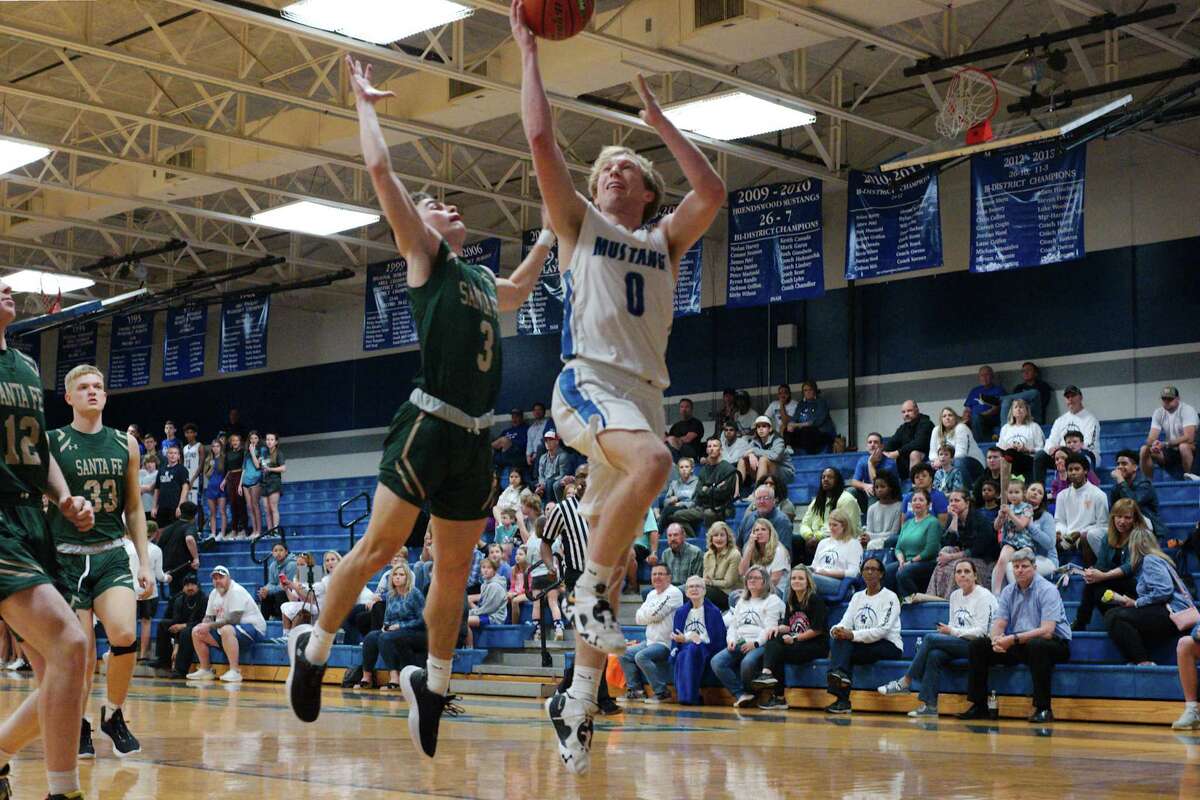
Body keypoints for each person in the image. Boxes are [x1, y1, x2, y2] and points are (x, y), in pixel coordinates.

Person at [284, 53, 546, 762]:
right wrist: (366, 106)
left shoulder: (483, 280)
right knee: (377, 551)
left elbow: (520, 287)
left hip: (475, 441)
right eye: (438, 204)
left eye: (453, 205)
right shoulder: (426, 261)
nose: (449, 206)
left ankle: (431, 685)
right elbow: (382, 176)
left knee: (455, 573)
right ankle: (314, 652)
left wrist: (553, 232)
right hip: (427, 423)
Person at [516, 1, 726, 770]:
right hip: (587, 383)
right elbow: (541, 140)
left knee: (617, 559)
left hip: (641, 396)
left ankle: (574, 705)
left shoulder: (665, 238)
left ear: (644, 193)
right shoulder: (579, 227)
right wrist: (529, 52)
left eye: (625, 168)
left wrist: (659, 121)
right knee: (657, 467)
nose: (610, 170)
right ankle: (590, 597)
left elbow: (712, 194)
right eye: (604, 166)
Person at [0, 289, 95, 800]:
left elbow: (36, 448)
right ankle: (63, 792)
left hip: (30, 516)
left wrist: (63, 498)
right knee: (71, 643)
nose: (8, 288)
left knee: (66, 678)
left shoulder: (26, 367)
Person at [46, 364, 152, 759]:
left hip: (109, 552)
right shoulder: (53, 442)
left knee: (125, 633)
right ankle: (78, 723)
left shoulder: (126, 444)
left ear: (106, 396)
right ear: (69, 397)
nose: (93, 392)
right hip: (65, 556)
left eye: (99, 387)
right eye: (84, 387)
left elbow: (136, 508)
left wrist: (143, 562)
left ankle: (114, 713)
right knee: (81, 653)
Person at [958, 549, 1071, 723]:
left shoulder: (1048, 590)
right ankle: (979, 705)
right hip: (1021, 642)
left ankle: (1043, 708)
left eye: (1024, 566)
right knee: (978, 646)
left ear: (1034, 567)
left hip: (1054, 644)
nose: (1019, 570)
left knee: (1038, 645)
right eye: (1016, 566)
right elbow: (999, 623)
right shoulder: (1008, 591)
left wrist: (1012, 639)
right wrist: (996, 640)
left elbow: (1047, 631)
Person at [878, 559, 998, 716]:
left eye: (967, 572)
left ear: (975, 576)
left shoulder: (984, 596)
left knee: (930, 639)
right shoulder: (955, 596)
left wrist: (951, 632)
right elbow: (953, 624)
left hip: (980, 646)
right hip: (960, 642)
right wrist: (948, 631)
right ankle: (930, 706)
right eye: (958, 572)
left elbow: (982, 633)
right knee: (935, 655)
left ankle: (906, 681)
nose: (962, 575)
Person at [1105, 528, 1195, 666]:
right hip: (1167, 611)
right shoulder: (1156, 560)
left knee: (1115, 616)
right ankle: (1138, 659)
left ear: (1133, 546)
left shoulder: (1149, 560)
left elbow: (1164, 590)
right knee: (1114, 614)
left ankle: (1143, 661)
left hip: (1171, 613)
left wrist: (1136, 603)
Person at [825, 556, 902, 714]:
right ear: (861, 573)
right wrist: (836, 630)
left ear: (881, 574)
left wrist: (851, 635)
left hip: (888, 644)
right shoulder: (857, 597)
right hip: (863, 643)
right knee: (839, 640)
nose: (869, 572)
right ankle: (840, 678)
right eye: (866, 569)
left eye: (874, 569)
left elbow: (882, 631)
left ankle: (841, 697)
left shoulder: (891, 597)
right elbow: (845, 621)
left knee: (844, 651)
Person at [753, 565, 829, 709]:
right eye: (793, 578)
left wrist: (795, 639)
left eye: (801, 578)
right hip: (797, 642)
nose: (796, 581)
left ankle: (778, 695)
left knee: (778, 652)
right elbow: (789, 625)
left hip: (816, 645)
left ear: (808, 582)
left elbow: (817, 630)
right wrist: (776, 628)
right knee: (773, 638)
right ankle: (767, 675)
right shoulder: (791, 599)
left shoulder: (815, 600)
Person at [711, 566, 784, 708]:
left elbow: (770, 628)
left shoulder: (772, 600)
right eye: (749, 578)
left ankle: (753, 693)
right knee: (717, 662)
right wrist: (731, 640)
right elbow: (733, 626)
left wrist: (755, 643)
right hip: (740, 642)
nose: (752, 580)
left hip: (762, 643)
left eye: (756, 578)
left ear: (765, 581)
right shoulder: (742, 601)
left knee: (747, 663)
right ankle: (741, 694)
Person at [188, 565, 267, 683]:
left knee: (226, 629)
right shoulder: (214, 593)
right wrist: (205, 623)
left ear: (229, 578)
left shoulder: (236, 591)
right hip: (230, 632)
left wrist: (209, 626)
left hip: (253, 630)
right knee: (196, 631)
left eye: (221, 577)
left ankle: (235, 671)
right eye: (215, 578)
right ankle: (205, 669)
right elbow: (209, 616)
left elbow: (234, 619)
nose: (218, 581)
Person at [1073, 498, 1140, 631]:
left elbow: (1130, 567)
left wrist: (1103, 575)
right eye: (1118, 516)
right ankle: (1112, 620)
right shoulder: (1108, 537)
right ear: (1113, 517)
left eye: (1127, 517)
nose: (1122, 521)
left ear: (1135, 519)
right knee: (1095, 586)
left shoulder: (1139, 536)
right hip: (1114, 582)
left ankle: (1081, 621)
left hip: (1136, 584)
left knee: (1096, 584)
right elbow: (1101, 564)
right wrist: (1093, 573)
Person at [619, 564, 683, 702]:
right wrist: (649, 615)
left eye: (661, 574)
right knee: (624, 654)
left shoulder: (674, 592)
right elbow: (638, 618)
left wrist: (647, 615)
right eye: (654, 574)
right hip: (650, 642)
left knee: (641, 657)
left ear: (669, 577)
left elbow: (655, 615)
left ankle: (662, 693)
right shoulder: (651, 594)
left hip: (667, 643)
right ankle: (636, 690)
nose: (657, 577)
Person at [359, 561, 426, 690]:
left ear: (408, 577)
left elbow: (423, 619)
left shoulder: (414, 593)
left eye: (401, 574)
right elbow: (387, 618)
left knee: (385, 638)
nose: (397, 577)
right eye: (395, 574)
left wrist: (400, 626)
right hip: (394, 630)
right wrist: (385, 626)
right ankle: (367, 676)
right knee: (371, 637)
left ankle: (394, 677)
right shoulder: (391, 595)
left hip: (415, 631)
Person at [927, 490, 1000, 597]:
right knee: (944, 553)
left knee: (957, 565)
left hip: (985, 560)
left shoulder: (979, 519)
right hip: (964, 556)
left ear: (967, 503)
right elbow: (947, 543)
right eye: (951, 501)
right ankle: (933, 597)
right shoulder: (952, 517)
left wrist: (951, 556)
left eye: (957, 500)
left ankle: (949, 600)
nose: (953, 503)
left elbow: (977, 549)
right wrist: (954, 520)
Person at [669, 576, 726, 706]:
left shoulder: (714, 611)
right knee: (682, 654)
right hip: (686, 648)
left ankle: (689, 698)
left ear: (704, 591)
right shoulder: (680, 612)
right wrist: (685, 640)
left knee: (692, 649)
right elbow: (676, 637)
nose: (694, 589)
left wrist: (691, 637)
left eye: (697, 586)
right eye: (690, 586)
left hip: (706, 649)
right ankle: (688, 697)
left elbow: (718, 641)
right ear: (686, 591)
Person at [1035, 385, 1101, 481]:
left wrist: (1065, 450)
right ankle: (1039, 490)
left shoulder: (1091, 420)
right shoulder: (1060, 420)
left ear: (1080, 397)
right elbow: (1051, 440)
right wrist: (1051, 449)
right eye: (1067, 397)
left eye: (1073, 396)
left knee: (1083, 455)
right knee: (1040, 456)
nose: (1070, 399)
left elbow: (1089, 444)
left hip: (1083, 454)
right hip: (1061, 455)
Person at [886, 489, 943, 599]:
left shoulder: (933, 522)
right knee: (886, 571)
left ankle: (912, 604)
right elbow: (898, 548)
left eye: (921, 500)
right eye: (914, 500)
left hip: (925, 562)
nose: (917, 502)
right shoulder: (907, 523)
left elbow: (930, 550)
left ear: (928, 505)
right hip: (906, 562)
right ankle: (891, 604)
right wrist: (902, 561)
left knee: (903, 573)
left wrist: (911, 561)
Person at [672, 437, 737, 532]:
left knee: (709, 513)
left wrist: (706, 489)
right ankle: (692, 536)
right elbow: (698, 491)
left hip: (723, 508)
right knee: (677, 515)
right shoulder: (704, 470)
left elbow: (723, 493)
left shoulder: (728, 469)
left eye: (715, 446)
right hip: (703, 507)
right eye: (709, 446)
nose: (711, 448)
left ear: (721, 449)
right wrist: (713, 489)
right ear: (706, 450)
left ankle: (709, 541)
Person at [797, 467, 861, 563]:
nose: (825, 479)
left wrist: (818, 537)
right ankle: (799, 574)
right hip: (816, 538)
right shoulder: (817, 501)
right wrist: (809, 536)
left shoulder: (847, 500)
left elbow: (845, 528)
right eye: (823, 477)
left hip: (841, 538)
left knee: (820, 543)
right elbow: (805, 523)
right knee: (796, 540)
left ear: (837, 480)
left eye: (830, 477)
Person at [1054, 453, 1110, 559]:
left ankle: (1090, 571)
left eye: (1077, 469)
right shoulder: (1062, 495)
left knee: (1086, 537)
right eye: (1070, 470)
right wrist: (1060, 532)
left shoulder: (1098, 494)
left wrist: (1080, 533)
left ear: (1085, 471)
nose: (1073, 473)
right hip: (1067, 537)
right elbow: (1059, 521)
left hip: (1086, 536)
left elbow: (1103, 525)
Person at [153, 574, 207, 676]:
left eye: (192, 585)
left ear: (198, 586)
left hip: (197, 628)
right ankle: (163, 660)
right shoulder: (179, 600)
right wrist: (177, 643)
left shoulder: (204, 599)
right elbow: (176, 622)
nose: (190, 587)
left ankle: (181, 670)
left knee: (186, 631)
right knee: (163, 624)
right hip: (182, 629)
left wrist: (184, 626)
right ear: (183, 588)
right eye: (187, 585)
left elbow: (202, 621)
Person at [1141, 385, 1197, 479]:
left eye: (1170, 399)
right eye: (1164, 399)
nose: (1166, 401)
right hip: (1170, 450)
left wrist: (1166, 444)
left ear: (1177, 398)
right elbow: (1151, 437)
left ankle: (1190, 478)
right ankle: (1147, 483)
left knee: (1183, 446)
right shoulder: (1158, 412)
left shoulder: (1187, 410)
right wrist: (1154, 444)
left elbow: (1189, 437)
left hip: (1192, 448)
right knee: (1144, 449)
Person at [991, 479, 1033, 593]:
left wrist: (1010, 513)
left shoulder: (1027, 507)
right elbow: (996, 527)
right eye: (1010, 492)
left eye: (1016, 492)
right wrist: (1000, 516)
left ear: (1023, 493)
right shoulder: (1006, 507)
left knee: (1020, 561)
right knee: (1002, 560)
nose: (1013, 495)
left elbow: (1021, 525)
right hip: (1010, 542)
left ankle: (1020, 591)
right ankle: (996, 593)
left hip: (1025, 543)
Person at [810, 510, 863, 597]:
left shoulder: (853, 544)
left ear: (844, 526)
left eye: (835, 525)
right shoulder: (823, 543)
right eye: (830, 524)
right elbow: (814, 566)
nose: (831, 528)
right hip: (819, 577)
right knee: (795, 574)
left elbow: (854, 573)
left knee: (807, 579)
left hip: (842, 584)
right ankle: (788, 609)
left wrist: (827, 573)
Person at [136, 523, 169, 662]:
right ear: (155, 533)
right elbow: (160, 575)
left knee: (129, 622)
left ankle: (128, 653)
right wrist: (167, 577)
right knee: (146, 622)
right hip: (149, 590)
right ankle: (143, 654)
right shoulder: (156, 550)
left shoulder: (130, 547)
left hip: (130, 590)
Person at [1109, 448, 1161, 534]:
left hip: (1148, 527)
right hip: (1126, 524)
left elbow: (1133, 503)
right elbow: (1114, 510)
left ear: (1135, 467)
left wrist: (1120, 480)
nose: (1120, 467)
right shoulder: (1117, 486)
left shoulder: (1144, 484)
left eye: (1124, 464)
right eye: (1118, 464)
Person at [735, 483, 793, 560]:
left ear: (773, 501)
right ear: (754, 502)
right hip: (747, 563)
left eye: (766, 498)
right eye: (759, 498)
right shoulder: (748, 518)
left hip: (772, 564)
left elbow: (785, 554)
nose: (762, 501)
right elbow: (738, 546)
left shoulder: (782, 521)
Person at [930, 406, 984, 486]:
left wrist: (942, 461)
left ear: (955, 418)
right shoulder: (936, 430)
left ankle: (965, 492)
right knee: (927, 466)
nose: (947, 418)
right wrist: (936, 461)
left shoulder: (961, 428)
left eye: (950, 415)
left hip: (972, 463)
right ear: (941, 419)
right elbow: (932, 452)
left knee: (957, 462)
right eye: (944, 416)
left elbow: (961, 454)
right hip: (946, 462)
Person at [738, 416, 795, 490]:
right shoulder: (754, 441)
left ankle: (757, 493)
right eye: (758, 427)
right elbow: (744, 454)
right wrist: (750, 454)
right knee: (742, 460)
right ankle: (736, 492)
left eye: (764, 426)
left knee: (763, 459)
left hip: (784, 473)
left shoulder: (778, 440)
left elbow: (775, 456)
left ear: (770, 429)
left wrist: (754, 451)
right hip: (766, 471)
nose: (761, 429)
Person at [883, 400, 934, 481]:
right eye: (903, 412)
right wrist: (884, 452)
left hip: (925, 460)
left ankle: (915, 486)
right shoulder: (903, 428)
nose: (906, 414)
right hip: (904, 467)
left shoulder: (926, 423)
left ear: (917, 410)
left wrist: (898, 452)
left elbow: (919, 443)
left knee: (914, 453)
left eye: (909, 411)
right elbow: (892, 442)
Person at [997, 398, 1043, 487]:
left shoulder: (1034, 426)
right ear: (1012, 412)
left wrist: (1027, 449)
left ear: (1026, 411)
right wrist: (1010, 447)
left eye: (1021, 407)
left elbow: (1041, 449)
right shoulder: (1006, 428)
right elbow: (1000, 448)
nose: (1018, 409)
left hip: (1028, 458)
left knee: (1010, 454)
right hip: (1010, 458)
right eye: (1016, 407)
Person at [158, 502, 200, 594]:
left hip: (170, 570)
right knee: (188, 597)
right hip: (185, 568)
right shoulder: (190, 527)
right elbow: (189, 539)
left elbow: (159, 547)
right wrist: (196, 558)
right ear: (194, 516)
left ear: (180, 512)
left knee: (174, 597)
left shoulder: (168, 529)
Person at [847, 432, 895, 513]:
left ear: (882, 446)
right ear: (867, 447)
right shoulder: (862, 460)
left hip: (887, 497)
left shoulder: (889, 463)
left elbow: (878, 486)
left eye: (875, 442)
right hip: (867, 495)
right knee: (850, 492)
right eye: (870, 442)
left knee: (873, 492)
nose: (872, 445)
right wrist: (865, 486)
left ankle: (870, 525)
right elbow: (854, 482)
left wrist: (870, 463)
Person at [738, 519, 790, 592]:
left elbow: (774, 580)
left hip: (777, 590)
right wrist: (749, 548)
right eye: (756, 530)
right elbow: (742, 572)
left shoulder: (779, 550)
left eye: (763, 529)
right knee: (734, 596)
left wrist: (754, 591)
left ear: (770, 533)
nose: (759, 533)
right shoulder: (752, 549)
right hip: (757, 588)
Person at [700, 521, 741, 611]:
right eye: (715, 535)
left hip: (728, 594)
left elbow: (728, 583)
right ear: (711, 538)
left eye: (722, 535)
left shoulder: (734, 554)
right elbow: (705, 579)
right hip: (712, 590)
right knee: (688, 591)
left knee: (700, 593)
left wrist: (710, 582)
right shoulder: (707, 555)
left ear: (728, 537)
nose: (719, 538)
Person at [790, 380, 836, 455]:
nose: (808, 392)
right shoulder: (801, 404)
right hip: (805, 434)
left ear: (814, 390)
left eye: (810, 390)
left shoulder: (821, 402)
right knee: (787, 431)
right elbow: (795, 418)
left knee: (807, 431)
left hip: (822, 433)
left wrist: (798, 425)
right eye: (805, 390)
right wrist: (790, 424)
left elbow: (816, 422)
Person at [152, 444, 191, 530]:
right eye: (170, 453)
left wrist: (180, 506)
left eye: (175, 453)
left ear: (178, 456)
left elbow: (185, 488)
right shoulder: (161, 469)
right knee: (160, 532)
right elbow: (157, 489)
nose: (173, 455)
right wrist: (154, 506)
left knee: (174, 532)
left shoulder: (182, 469)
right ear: (167, 455)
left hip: (175, 507)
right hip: (162, 507)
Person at [963, 366, 1005, 444]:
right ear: (979, 377)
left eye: (987, 375)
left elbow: (997, 409)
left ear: (992, 376)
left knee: (976, 417)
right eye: (982, 375)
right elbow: (967, 409)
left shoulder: (998, 390)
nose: (984, 377)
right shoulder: (974, 390)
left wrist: (981, 415)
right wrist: (966, 416)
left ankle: (979, 445)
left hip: (991, 419)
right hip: (974, 419)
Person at [659, 458, 699, 532]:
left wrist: (680, 503)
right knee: (670, 512)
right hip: (674, 509)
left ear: (692, 469)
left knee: (669, 512)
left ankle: (658, 531)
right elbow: (665, 502)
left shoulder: (697, 482)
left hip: (690, 509)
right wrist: (671, 500)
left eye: (687, 467)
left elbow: (696, 501)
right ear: (678, 470)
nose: (684, 469)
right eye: (681, 467)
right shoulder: (674, 483)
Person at [862, 471, 903, 543]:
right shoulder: (872, 508)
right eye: (876, 487)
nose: (879, 490)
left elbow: (894, 533)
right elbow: (868, 532)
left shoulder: (899, 507)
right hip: (871, 544)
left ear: (891, 488)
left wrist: (871, 537)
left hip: (889, 544)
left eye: (882, 486)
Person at [259, 542, 297, 620]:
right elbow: (271, 583)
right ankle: (264, 622)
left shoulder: (292, 564)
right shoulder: (272, 565)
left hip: (291, 593)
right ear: (272, 553)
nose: (278, 553)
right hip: (279, 591)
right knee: (265, 595)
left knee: (280, 594)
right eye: (275, 551)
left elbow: (287, 585)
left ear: (286, 552)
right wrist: (265, 589)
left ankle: (282, 620)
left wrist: (269, 590)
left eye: (281, 550)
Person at [222, 433, 248, 539]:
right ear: (231, 443)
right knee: (232, 504)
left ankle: (243, 529)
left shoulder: (243, 452)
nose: (235, 442)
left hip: (240, 476)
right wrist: (224, 480)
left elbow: (244, 468)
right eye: (233, 441)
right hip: (231, 478)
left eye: (237, 440)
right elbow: (228, 469)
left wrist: (240, 484)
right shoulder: (228, 454)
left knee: (241, 503)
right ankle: (234, 529)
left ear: (240, 441)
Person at [661, 523, 703, 588]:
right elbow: (664, 578)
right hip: (669, 589)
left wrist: (674, 590)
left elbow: (697, 580)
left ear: (683, 536)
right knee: (646, 592)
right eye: (669, 535)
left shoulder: (696, 552)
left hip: (688, 589)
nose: (672, 539)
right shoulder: (665, 554)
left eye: (675, 535)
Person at [240, 431, 266, 538]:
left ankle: (259, 531)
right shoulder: (246, 452)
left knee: (255, 505)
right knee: (249, 507)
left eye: (255, 438)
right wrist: (239, 484)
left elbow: (257, 465)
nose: (253, 440)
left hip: (255, 480)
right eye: (251, 438)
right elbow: (244, 469)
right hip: (246, 480)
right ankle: (254, 530)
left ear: (258, 439)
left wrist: (252, 452)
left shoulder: (262, 450)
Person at [492, 409, 528, 481]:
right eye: (513, 417)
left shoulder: (525, 429)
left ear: (521, 418)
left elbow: (524, 444)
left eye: (516, 417)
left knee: (504, 440)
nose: (514, 419)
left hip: (517, 453)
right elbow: (497, 443)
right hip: (503, 454)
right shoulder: (507, 431)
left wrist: (509, 442)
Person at [664, 398, 705, 462]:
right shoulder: (675, 426)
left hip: (692, 451)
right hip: (676, 450)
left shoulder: (696, 423)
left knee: (671, 441)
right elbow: (668, 440)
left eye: (687, 407)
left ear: (691, 409)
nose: (684, 409)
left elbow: (688, 439)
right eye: (682, 407)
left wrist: (674, 440)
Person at [260, 432, 286, 531]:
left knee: (273, 507)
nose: (269, 442)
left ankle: (275, 530)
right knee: (266, 509)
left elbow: (283, 468)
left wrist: (270, 469)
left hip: (274, 483)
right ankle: (269, 530)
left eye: (271, 440)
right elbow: (261, 467)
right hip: (264, 482)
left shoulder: (279, 453)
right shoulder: (264, 453)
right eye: (267, 439)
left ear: (276, 442)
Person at [202, 438, 227, 540]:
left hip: (221, 487)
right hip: (211, 486)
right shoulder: (209, 459)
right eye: (213, 446)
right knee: (212, 512)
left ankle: (222, 533)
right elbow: (206, 474)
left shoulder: (224, 458)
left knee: (222, 511)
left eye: (217, 446)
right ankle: (213, 533)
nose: (215, 448)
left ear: (221, 447)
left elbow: (227, 472)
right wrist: (211, 468)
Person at [181, 423, 204, 512]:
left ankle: (200, 526)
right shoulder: (184, 448)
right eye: (187, 432)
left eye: (191, 432)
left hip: (196, 478)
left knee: (197, 504)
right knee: (187, 504)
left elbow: (201, 465)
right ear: (185, 434)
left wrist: (193, 479)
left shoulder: (199, 446)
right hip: (186, 478)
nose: (189, 434)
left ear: (195, 434)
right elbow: (182, 466)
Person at [524, 402, 551, 469]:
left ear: (544, 412)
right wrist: (528, 456)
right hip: (534, 454)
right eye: (535, 410)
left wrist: (536, 453)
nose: (537, 412)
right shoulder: (531, 429)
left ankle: (536, 477)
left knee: (540, 448)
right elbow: (529, 444)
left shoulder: (548, 424)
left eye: (539, 410)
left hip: (545, 451)